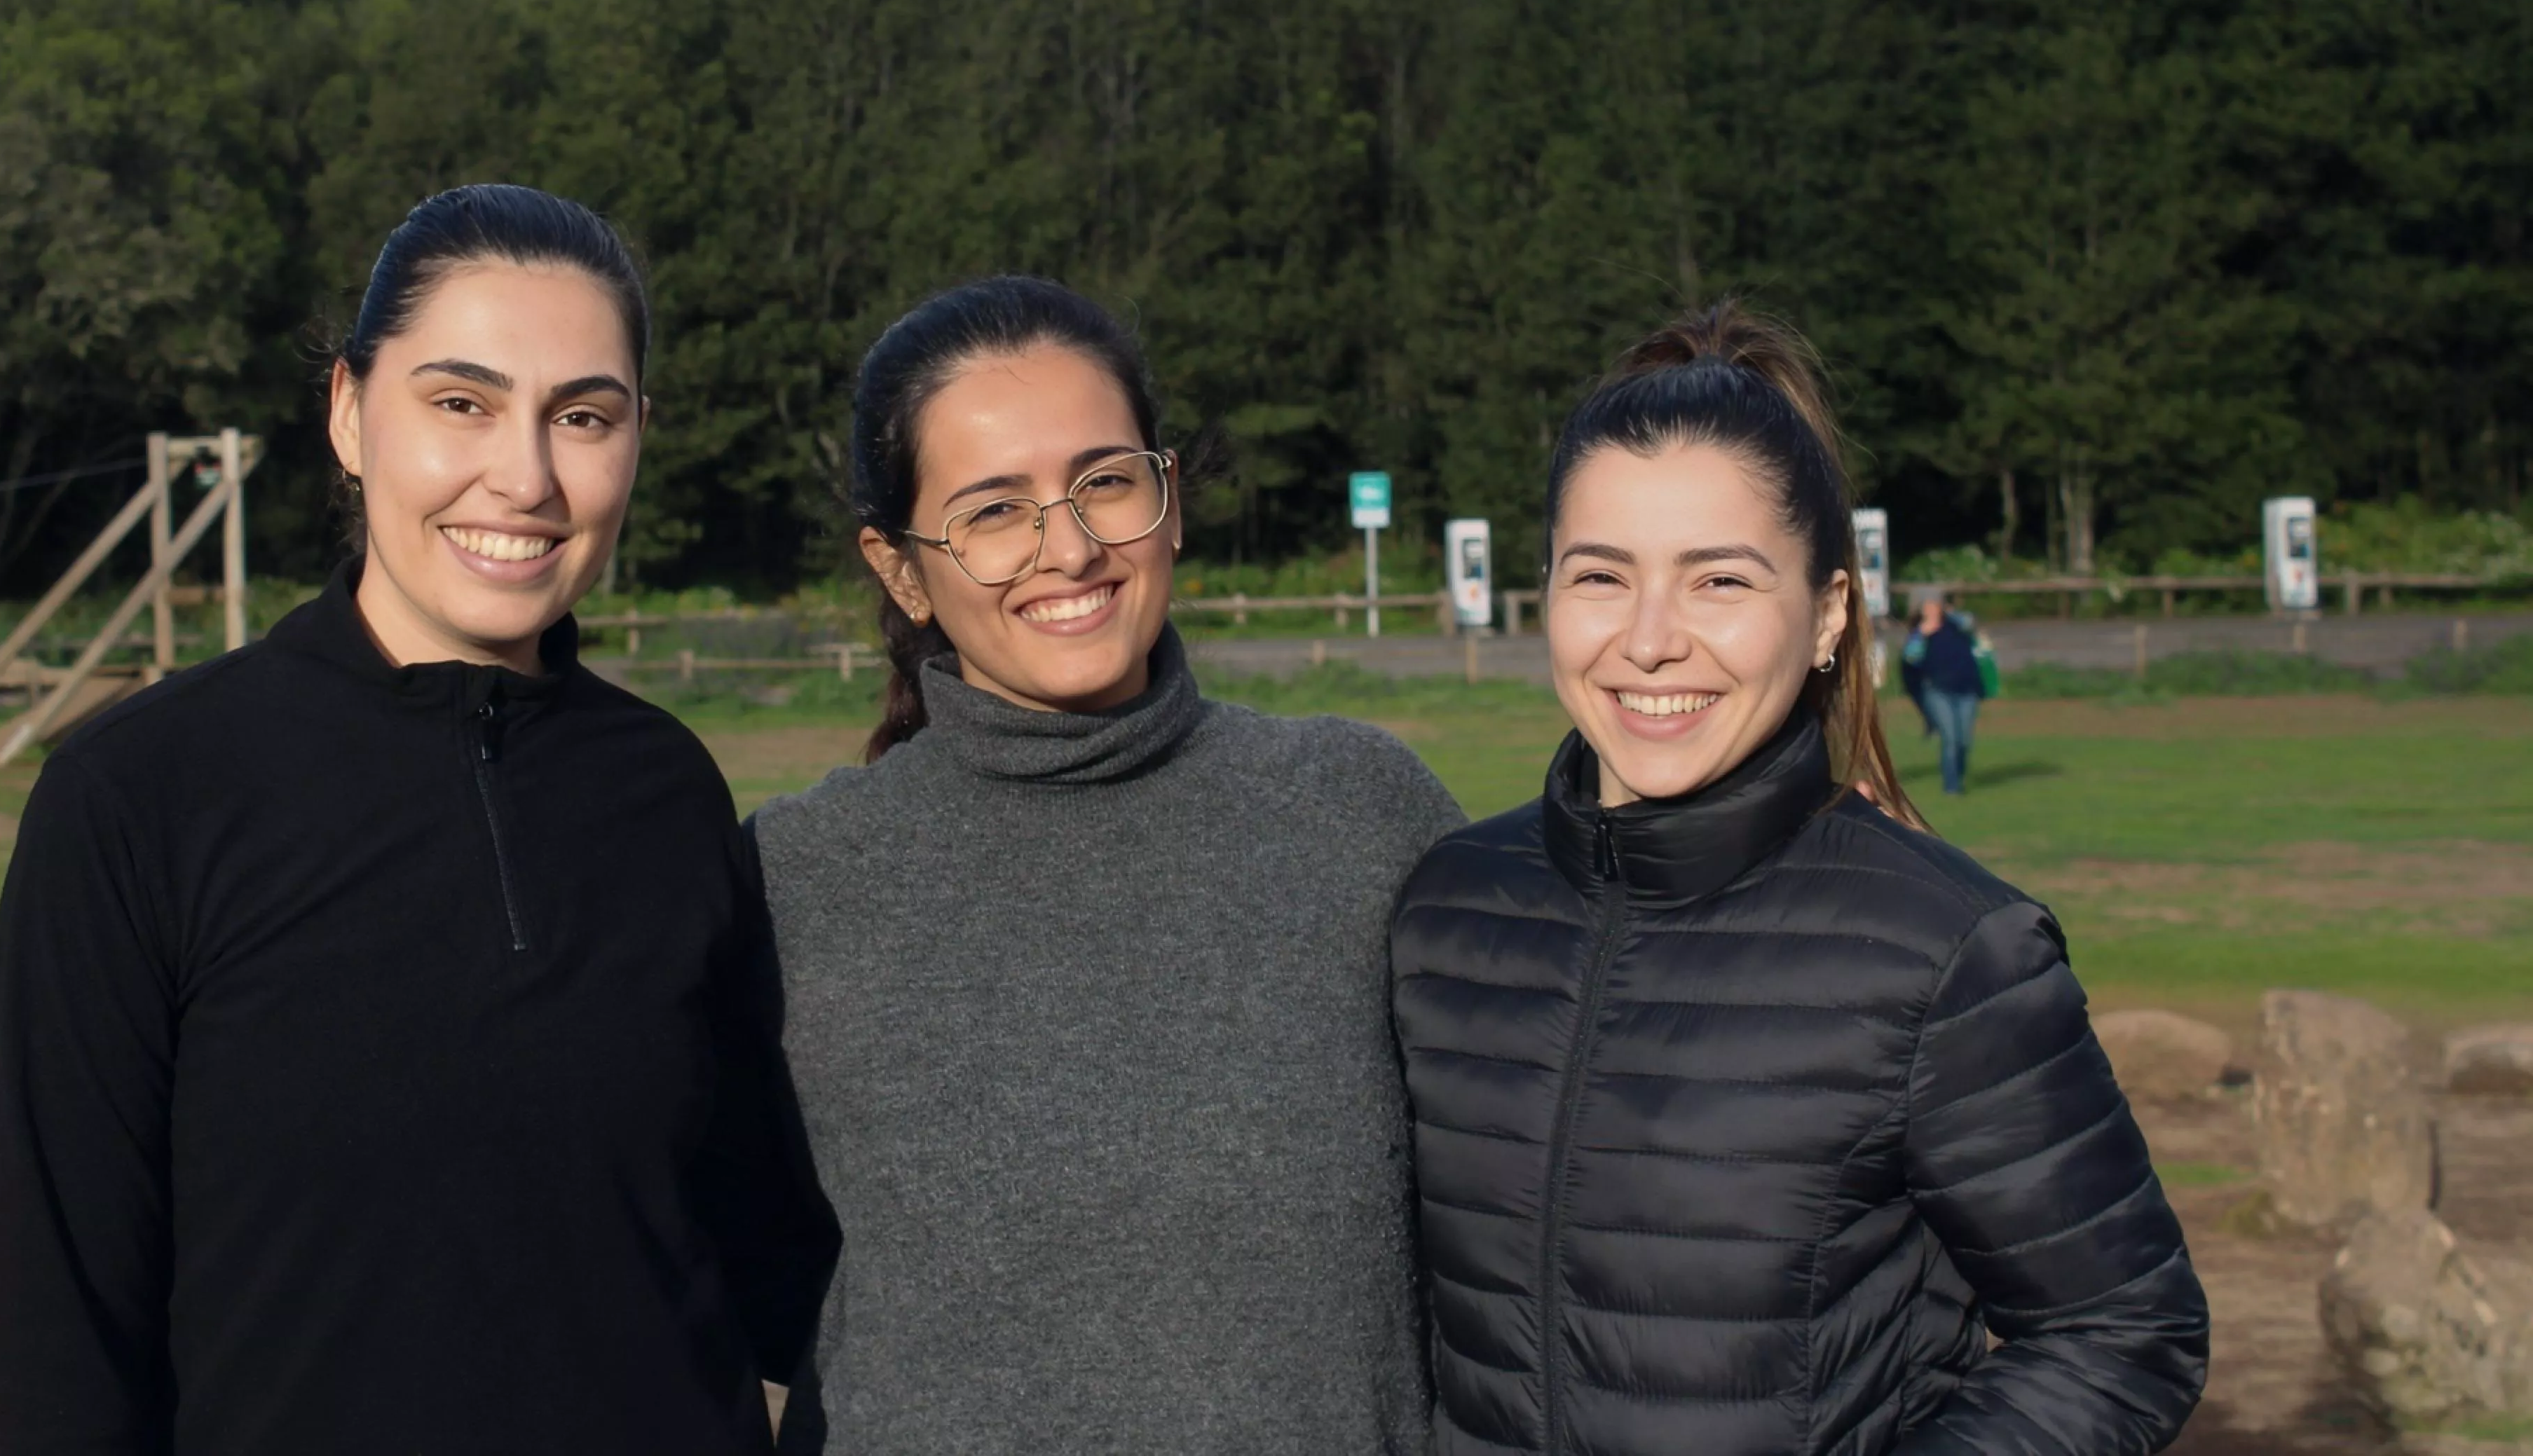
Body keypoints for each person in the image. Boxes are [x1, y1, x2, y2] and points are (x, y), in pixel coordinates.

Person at [0, 185, 838, 1454]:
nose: (527, 476)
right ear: (347, 411)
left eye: (583, 417)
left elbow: (765, 1254)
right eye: (461, 403)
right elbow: (68, 1353)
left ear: (638, 437)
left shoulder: (668, 792)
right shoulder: (137, 799)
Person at [1390, 302, 2206, 1456]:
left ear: (1826, 613)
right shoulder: (1447, 909)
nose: (1651, 638)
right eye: (1601, 578)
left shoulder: (1949, 951)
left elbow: (2126, 1330)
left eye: (1718, 582)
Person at [751, 276, 1466, 1455]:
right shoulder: (788, 884)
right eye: (993, 511)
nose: (1070, 547)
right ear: (899, 568)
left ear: (1169, 497)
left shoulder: (1364, 815)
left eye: (1106, 483)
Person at [1904, 589, 1986, 795]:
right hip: (1938, 690)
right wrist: (1922, 636)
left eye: (1935, 604)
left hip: (1966, 688)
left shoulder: (1957, 625)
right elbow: (1910, 659)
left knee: (1963, 740)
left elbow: (1972, 623)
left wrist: (1951, 614)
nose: (1932, 609)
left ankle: (1958, 773)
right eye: (1927, 605)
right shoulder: (1919, 634)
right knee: (1950, 738)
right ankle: (1952, 787)